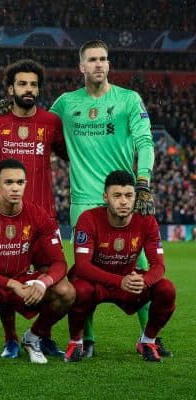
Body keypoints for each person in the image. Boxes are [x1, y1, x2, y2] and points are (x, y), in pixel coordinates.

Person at [49, 40, 163, 358]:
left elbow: (145, 141)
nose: (99, 64)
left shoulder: (128, 99)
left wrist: (143, 184)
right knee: (87, 271)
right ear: (81, 67)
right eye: (92, 60)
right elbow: (38, 126)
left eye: (103, 59)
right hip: (85, 199)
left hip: (125, 195)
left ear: (109, 65)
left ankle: (149, 337)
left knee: (139, 264)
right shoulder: (66, 103)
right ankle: (88, 339)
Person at [0, 59, 67, 358]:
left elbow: (67, 154)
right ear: (11, 88)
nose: (28, 89)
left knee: (52, 280)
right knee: (6, 269)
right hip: (5, 214)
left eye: (33, 84)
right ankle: (10, 338)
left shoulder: (51, 122)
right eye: (22, 84)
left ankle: (41, 336)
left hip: (42, 215)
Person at [0, 158, 75, 365]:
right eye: (9, 182)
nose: (15, 188)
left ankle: (33, 336)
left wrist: (43, 282)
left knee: (67, 291)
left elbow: (60, 262)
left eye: (20, 182)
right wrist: (11, 284)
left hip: (24, 280)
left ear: (26, 184)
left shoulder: (38, 215)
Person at [64, 170, 176, 362]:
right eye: (117, 195)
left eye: (128, 195)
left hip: (127, 281)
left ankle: (147, 341)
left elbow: (159, 266)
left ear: (135, 197)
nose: (123, 201)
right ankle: (76, 342)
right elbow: (82, 266)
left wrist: (144, 281)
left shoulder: (147, 220)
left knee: (166, 289)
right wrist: (119, 281)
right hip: (96, 283)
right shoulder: (88, 219)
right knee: (79, 290)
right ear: (105, 197)